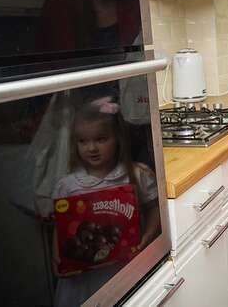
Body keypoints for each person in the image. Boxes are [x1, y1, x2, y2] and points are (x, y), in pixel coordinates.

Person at [51, 96, 159, 307]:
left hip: (124, 268)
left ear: (117, 138)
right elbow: (60, 226)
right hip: (83, 278)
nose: (91, 148)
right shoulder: (67, 185)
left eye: (100, 139)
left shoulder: (137, 175)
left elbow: (154, 208)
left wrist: (148, 235)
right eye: (83, 141)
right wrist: (58, 256)